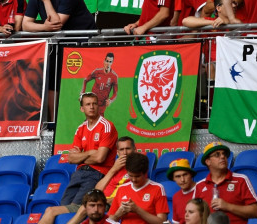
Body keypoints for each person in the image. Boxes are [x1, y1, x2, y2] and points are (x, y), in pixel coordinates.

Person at [38, 93, 117, 224]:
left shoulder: (106, 126)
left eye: (94, 104)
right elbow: (71, 159)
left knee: (68, 210)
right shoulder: (80, 129)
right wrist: (90, 152)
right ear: (82, 109)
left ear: (99, 106)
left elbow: (100, 158)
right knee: (62, 209)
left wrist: (81, 156)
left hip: (96, 174)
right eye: (88, 104)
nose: (92, 107)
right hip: (78, 174)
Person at [61, 136, 137, 224]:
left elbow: (132, 195)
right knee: (51, 210)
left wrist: (104, 201)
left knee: (86, 208)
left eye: (128, 149)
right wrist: (113, 169)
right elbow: (97, 189)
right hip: (100, 201)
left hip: (106, 204)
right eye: (121, 150)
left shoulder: (136, 169)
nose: (125, 153)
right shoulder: (114, 167)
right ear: (117, 152)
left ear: (134, 150)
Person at [193, 142, 257, 224]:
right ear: (208, 161)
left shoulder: (241, 180)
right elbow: (194, 215)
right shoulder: (199, 186)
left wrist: (228, 206)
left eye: (224, 154)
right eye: (217, 155)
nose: (222, 157)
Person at [108, 152, 169, 223]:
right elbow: (109, 220)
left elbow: (162, 222)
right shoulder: (122, 188)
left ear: (146, 172)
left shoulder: (157, 188)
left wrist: (137, 210)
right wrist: (117, 215)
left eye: (137, 176)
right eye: (130, 175)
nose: (133, 179)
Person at [168, 159, 197, 224]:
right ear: (173, 179)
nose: (182, 180)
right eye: (178, 176)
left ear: (191, 174)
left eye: (185, 175)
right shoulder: (176, 197)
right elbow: (177, 222)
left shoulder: (202, 189)